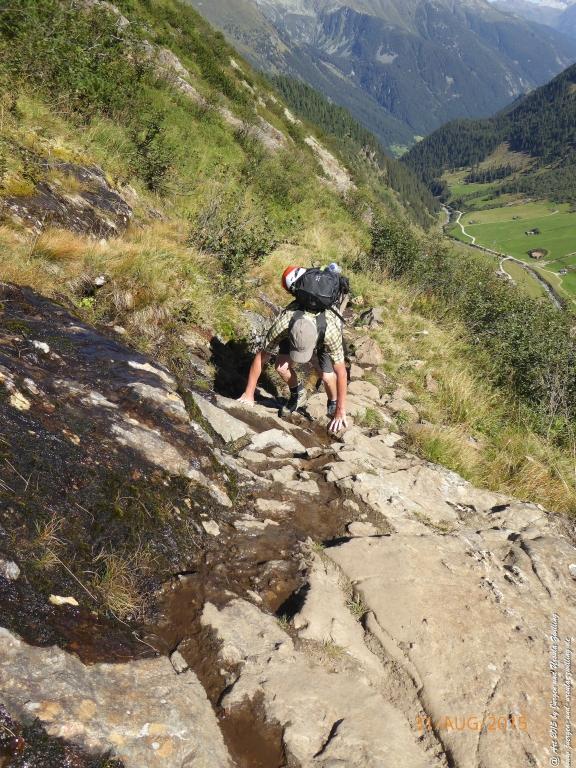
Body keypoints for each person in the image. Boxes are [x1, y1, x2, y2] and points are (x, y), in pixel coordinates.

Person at [238, 265, 348, 434]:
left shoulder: (331, 331)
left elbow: (341, 372)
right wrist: (249, 393)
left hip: (322, 332)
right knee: (281, 367)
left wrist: (341, 409)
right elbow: (262, 356)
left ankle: (332, 401)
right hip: (296, 327)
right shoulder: (285, 323)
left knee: (326, 375)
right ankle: (298, 394)